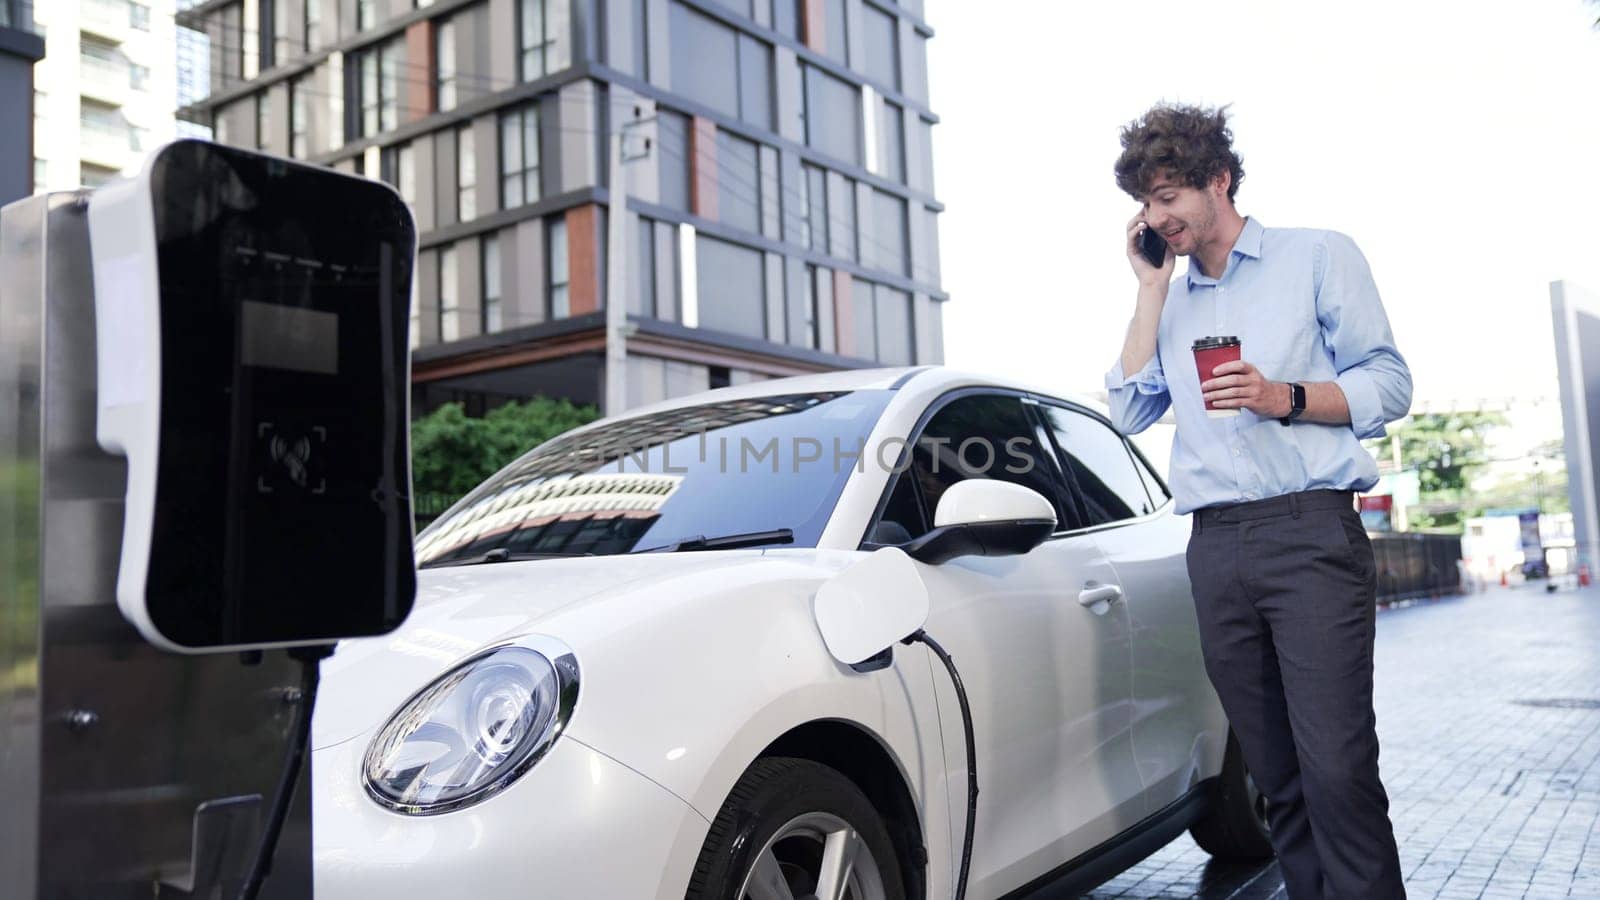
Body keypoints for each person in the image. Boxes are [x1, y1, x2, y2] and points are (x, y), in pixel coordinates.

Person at [1105, 103, 1412, 900]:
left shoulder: (1316, 256)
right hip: (1215, 547)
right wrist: (1149, 291)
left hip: (1308, 534)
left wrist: (1287, 396)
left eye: (1169, 195)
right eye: (1145, 202)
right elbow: (1129, 410)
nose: (1155, 216)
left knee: (1337, 770)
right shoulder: (1169, 299)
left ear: (1220, 181)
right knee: (1277, 778)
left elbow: (1389, 381)